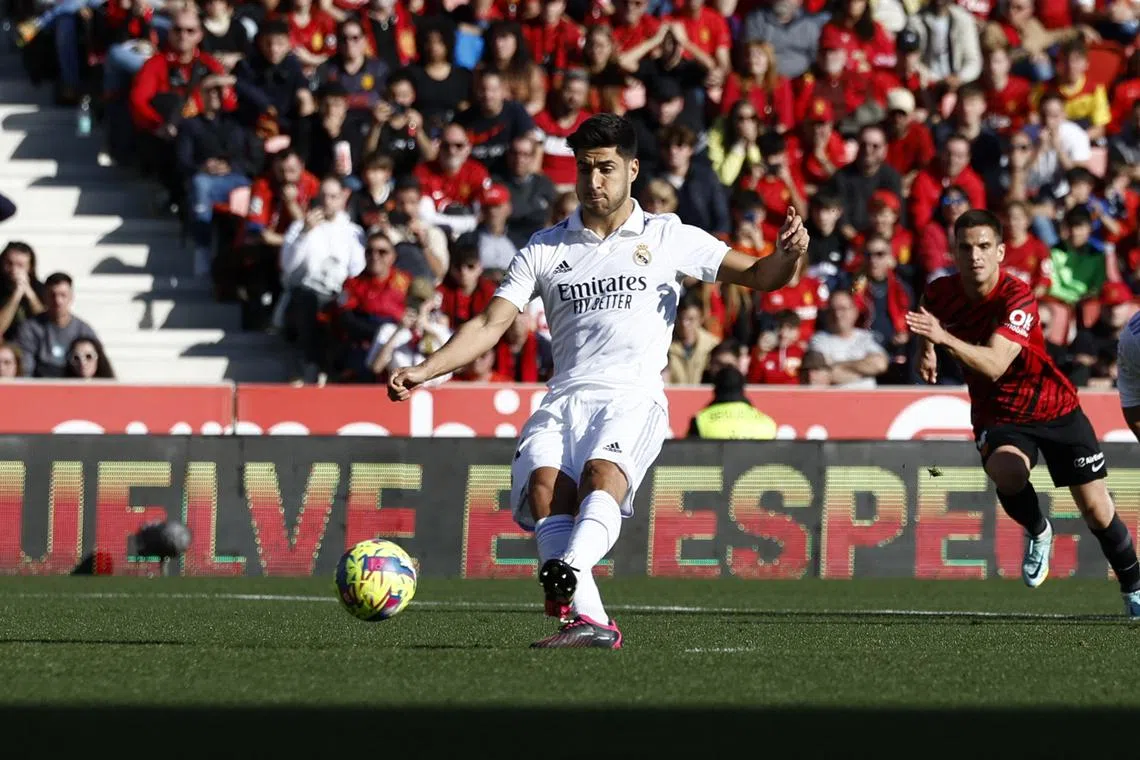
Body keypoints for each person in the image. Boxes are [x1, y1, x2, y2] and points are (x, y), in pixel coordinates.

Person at [387, 113, 810, 648]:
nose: (594, 181)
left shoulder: (667, 235)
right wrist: (426, 370)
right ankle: (588, 621)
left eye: (606, 168)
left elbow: (757, 274)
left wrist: (789, 256)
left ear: (632, 169)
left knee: (600, 474)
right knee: (545, 489)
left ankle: (568, 569)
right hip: (564, 395)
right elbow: (491, 323)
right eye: (585, 169)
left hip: (631, 395)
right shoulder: (545, 247)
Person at [907, 209, 1140, 618]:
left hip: (1055, 407)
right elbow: (926, 309)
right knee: (1007, 471)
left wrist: (941, 339)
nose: (975, 256)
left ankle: (1134, 587)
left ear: (1000, 251)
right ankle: (1038, 530)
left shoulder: (1017, 297)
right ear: (954, 253)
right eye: (965, 248)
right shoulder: (942, 292)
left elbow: (996, 364)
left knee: (1096, 510)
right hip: (1000, 415)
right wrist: (927, 348)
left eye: (983, 247)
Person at [686, 366, 777, 439]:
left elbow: (690, 458)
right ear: (743, 389)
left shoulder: (700, 420)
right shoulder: (768, 423)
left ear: (715, 389)